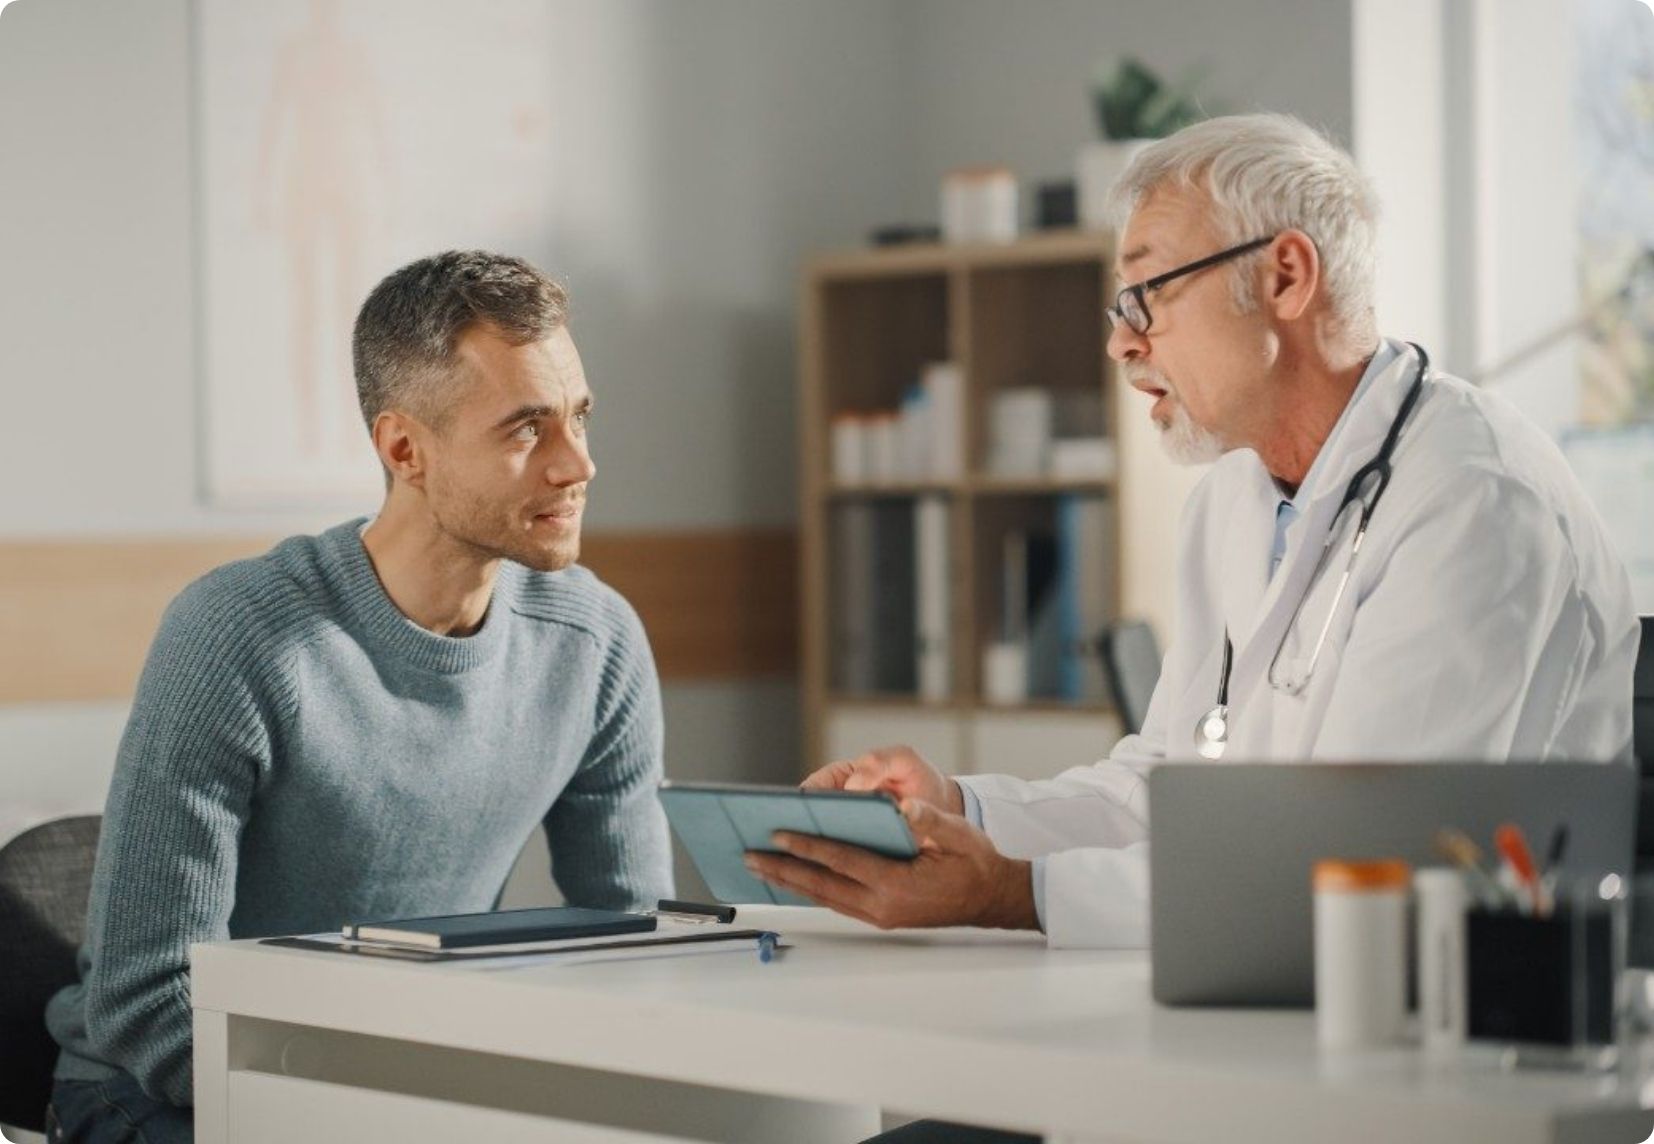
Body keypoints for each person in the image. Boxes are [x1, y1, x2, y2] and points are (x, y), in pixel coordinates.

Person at [746, 113, 1640, 952]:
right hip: (1271, 986)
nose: (1122, 342)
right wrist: (958, 812)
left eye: (1148, 293)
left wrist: (1013, 892)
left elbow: (1367, 862)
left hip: (1472, 1012)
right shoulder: (1235, 499)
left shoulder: (1478, 501)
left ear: (1285, 277)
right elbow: (1164, 791)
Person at [44, 251, 673, 1143]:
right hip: (157, 1094)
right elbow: (146, 1007)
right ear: (404, 449)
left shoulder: (595, 642)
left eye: (579, 417)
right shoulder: (237, 636)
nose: (579, 464)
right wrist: (393, 1106)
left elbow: (636, 946)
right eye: (527, 429)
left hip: (404, 1087)